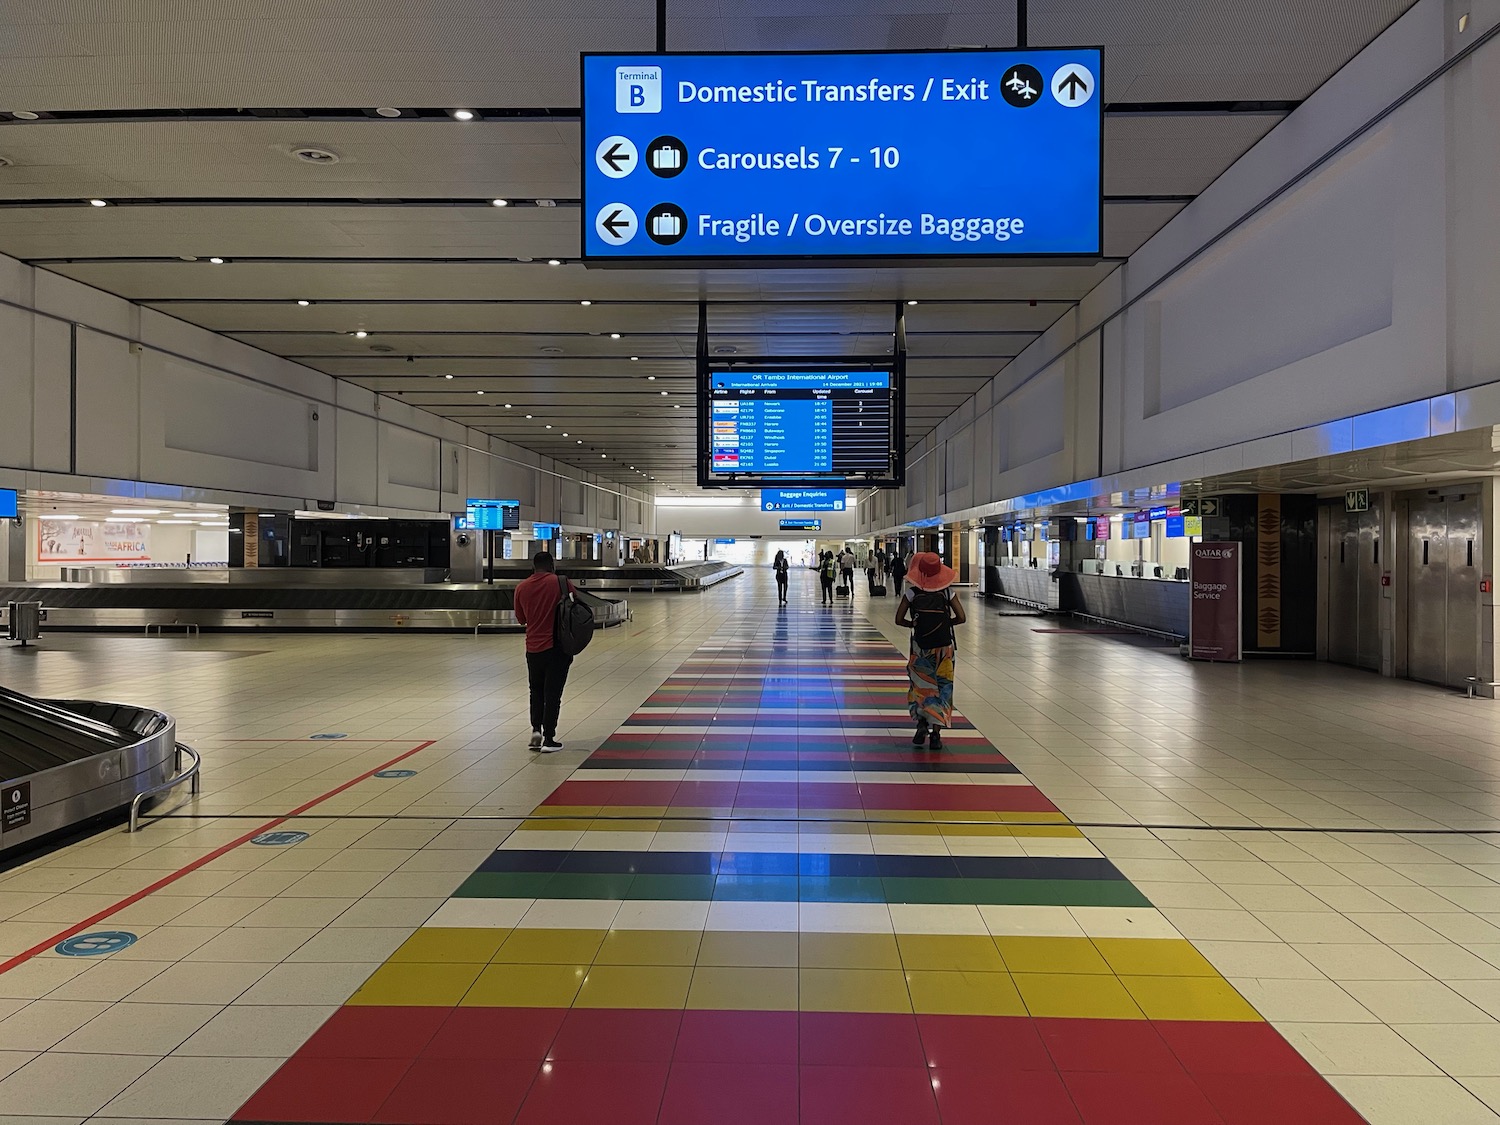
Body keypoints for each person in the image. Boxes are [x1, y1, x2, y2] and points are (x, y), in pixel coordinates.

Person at [895, 552, 967, 751]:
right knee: (943, 687)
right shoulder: (947, 593)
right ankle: (936, 734)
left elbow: (898, 620)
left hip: (920, 647)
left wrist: (914, 624)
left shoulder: (912, 593)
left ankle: (921, 724)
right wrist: (945, 624)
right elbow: (961, 617)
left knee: (921, 686)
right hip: (945, 648)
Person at [512, 551, 575, 752]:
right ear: (552, 565)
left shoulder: (521, 588)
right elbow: (575, 607)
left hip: (533, 648)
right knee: (553, 693)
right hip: (557, 647)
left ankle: (536, 731)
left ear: (533, 566)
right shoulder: (560, 583)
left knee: (536, 690)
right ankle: (549, 738)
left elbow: (521, 619)